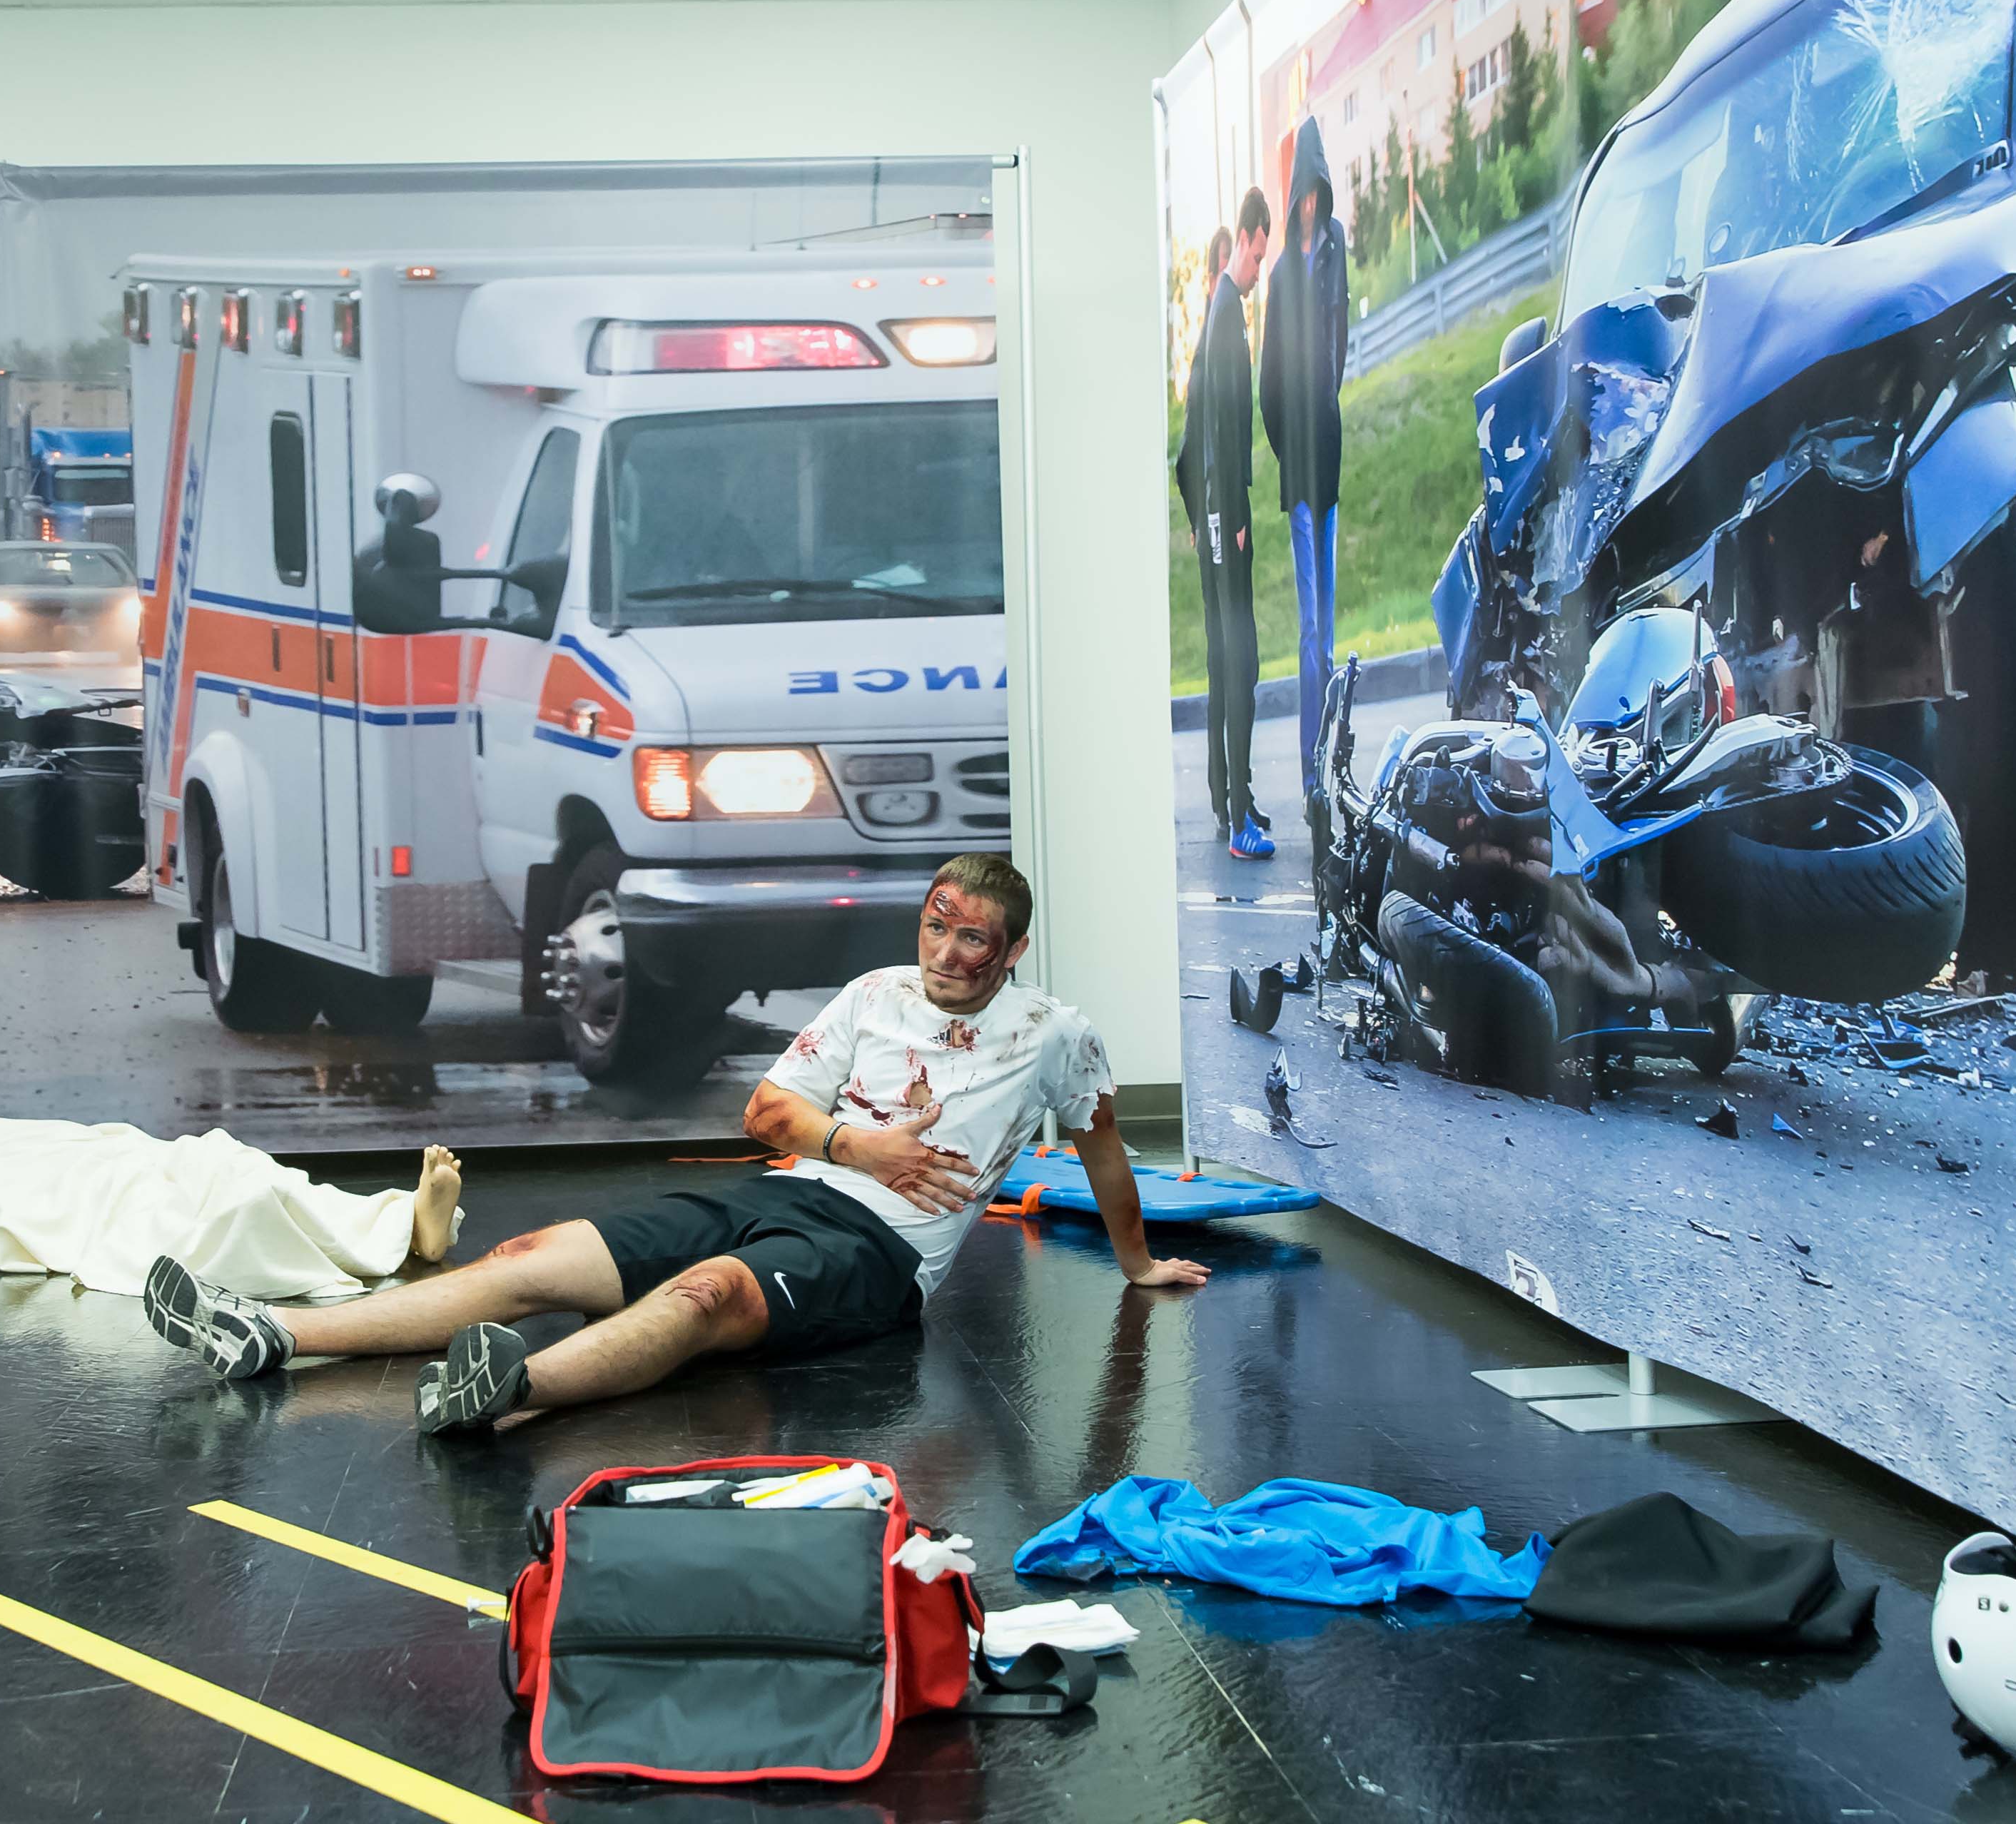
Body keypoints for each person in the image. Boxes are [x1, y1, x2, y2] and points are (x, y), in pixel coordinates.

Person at [142, 853, 1211, 1434]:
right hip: (794, 1187)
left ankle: (512, 1393)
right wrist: (860, 1147)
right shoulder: (874, 995)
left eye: (970, 936)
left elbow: (1104, 1150)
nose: (943, 949)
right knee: (531, 1258)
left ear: (1012, 950)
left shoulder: (1055, 1035)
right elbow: (767, 1116)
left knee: (709, 1297)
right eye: (934, 922)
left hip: (883, 1262)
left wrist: (1137, 1264)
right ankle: (273, 1333)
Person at [0, 1119, 462, 1301]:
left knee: (224, 1168)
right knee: (237, 1178)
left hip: (138, 1161)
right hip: (118, 1177)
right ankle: (399, 1223)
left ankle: (406, 1224)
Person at [1178, 198, 1275, 861]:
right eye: (1258, 253)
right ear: (1242, 241)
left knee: (1226, 661)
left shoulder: (1221, 311)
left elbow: (1198, 441)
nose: (1259, 266)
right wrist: (1229, 520)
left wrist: (1204, 514)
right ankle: (1240, 821)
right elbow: (1216, 432)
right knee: (1241, 661)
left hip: (1213, 516)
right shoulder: (1225, 316)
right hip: (1224, 520)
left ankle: (1226, 797)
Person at [1259, 118, 1349, 813]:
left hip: (1333, 459)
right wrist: (1291, 447)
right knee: (1311, 629)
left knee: (1332, 622)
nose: (1312, 204)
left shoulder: (1336, 253)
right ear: (1295, 195)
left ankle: (1332, 760)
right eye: (1305, 191)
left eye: (1319, 189)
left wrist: (1325, 410)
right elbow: (1267, 386)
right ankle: (1312, 774)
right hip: (1300, 475)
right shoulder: (1284, 272)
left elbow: (1340, 343)